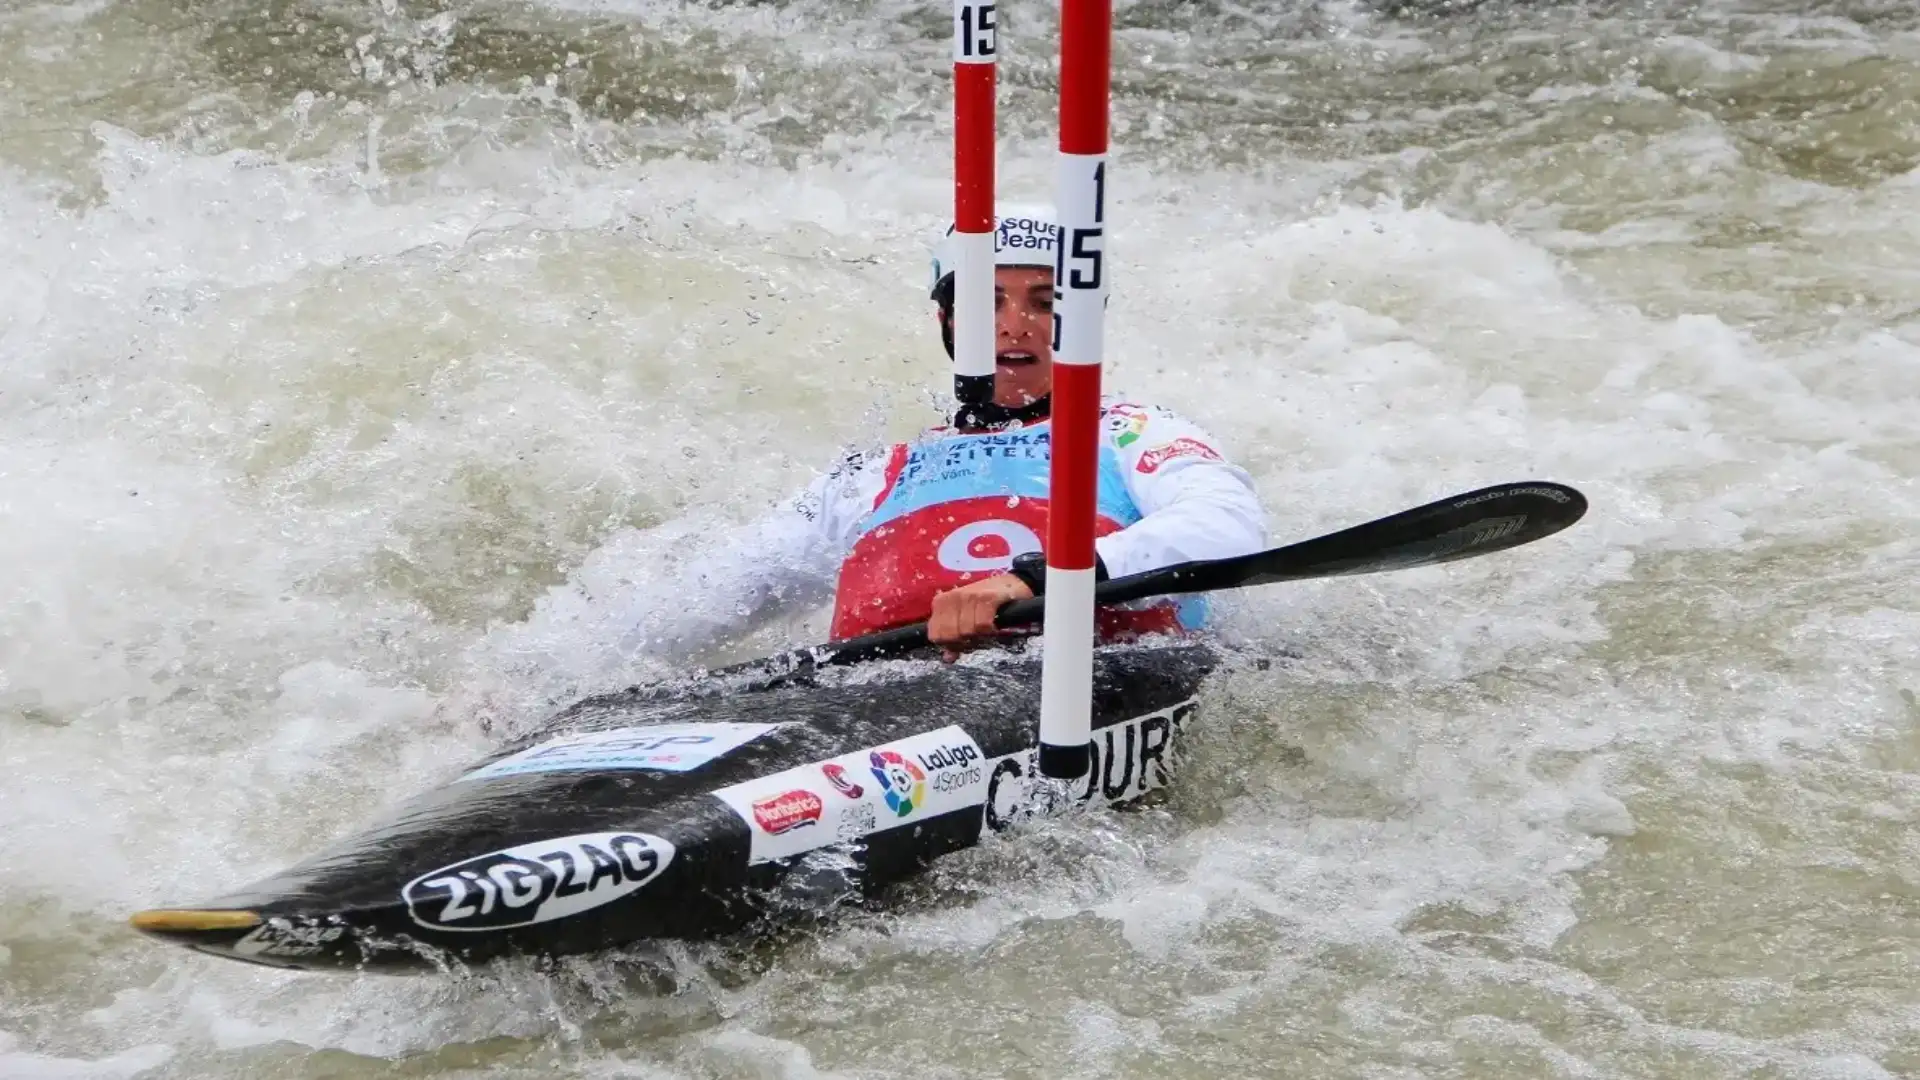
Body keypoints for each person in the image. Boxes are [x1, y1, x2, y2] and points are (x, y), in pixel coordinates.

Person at [543, 205, 1267, 679]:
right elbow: (719, 591)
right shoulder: (876, 472)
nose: (1014, 326)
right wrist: (551, 675)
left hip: (1093, 680)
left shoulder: (1132, 431)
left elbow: (1223, 528)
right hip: (887, 697)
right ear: (946, 322)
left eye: (1047, 304)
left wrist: (1034, 580)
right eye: (985, 302)